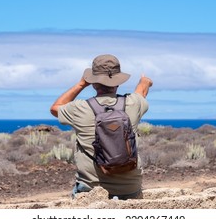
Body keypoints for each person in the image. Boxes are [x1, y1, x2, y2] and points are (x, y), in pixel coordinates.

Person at [50, 54, 153, 199]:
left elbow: (56, 108)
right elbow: (141, 90)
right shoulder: (133, 103)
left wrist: (80, 84)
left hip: (92, 189)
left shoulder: (80, 108)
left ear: (93, 83)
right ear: (118, 81)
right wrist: (145, 81)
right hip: (130, 189)